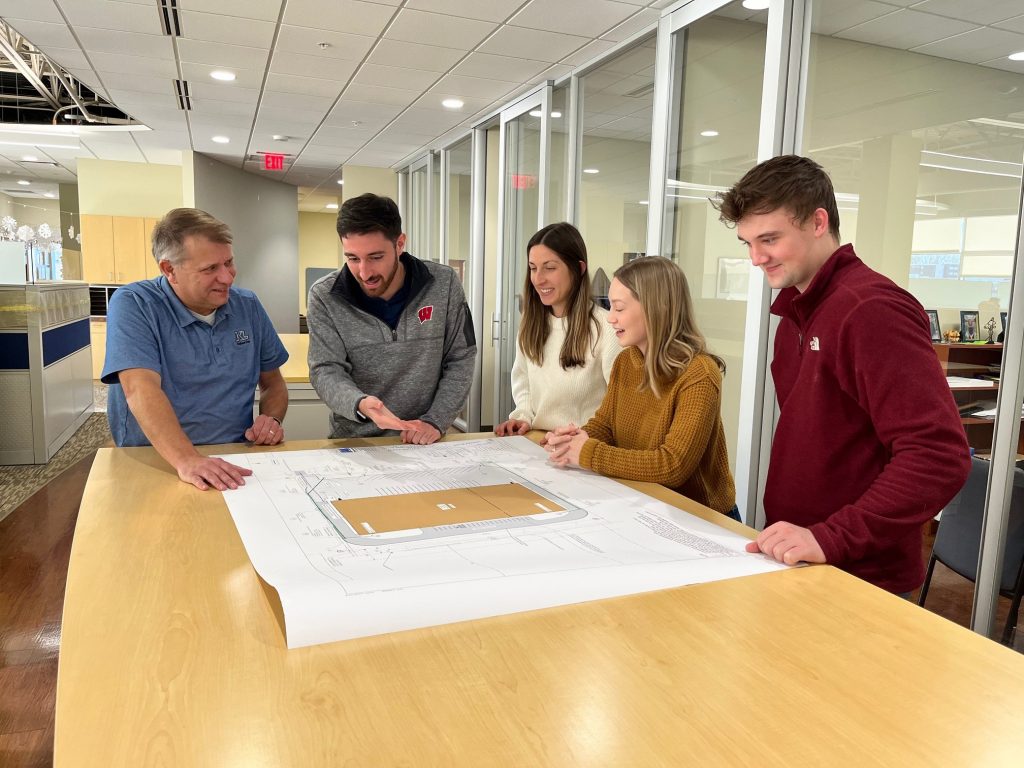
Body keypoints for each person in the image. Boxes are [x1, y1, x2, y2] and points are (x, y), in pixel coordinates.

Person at [712, 154, 971, 594]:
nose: (756, 258)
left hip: (860, 574)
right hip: (797, 556)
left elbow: (938, 455)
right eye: (748, 243)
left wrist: (830, 537)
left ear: (818, 222)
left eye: (769, 238)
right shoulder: (796, 312)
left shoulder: (869, 309)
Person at [102, 208, 289, 492]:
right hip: (158, 460)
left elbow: (273, 384)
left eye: (229, 262)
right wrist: (187, 459)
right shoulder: (134, 304)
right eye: (210, 269)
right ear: (169, 270)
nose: (227, 277)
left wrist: (271, 419)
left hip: (233, 459)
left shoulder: (247, 306)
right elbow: (140, 389)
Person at [544, 256, 738, 519]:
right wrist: (573, 441)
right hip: (647, 503)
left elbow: (673, 465)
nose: (610, 318)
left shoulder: (700, 374)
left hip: (701, 517)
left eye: (619, 308)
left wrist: (588, 452)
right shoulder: (627, 360)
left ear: (656, 308)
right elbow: (606, 426)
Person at [307, 193, 476, 445]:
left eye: (375, 257)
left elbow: (460, 357)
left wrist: (435, 420)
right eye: (352, 258)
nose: (364, 272)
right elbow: (325, 369)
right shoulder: (324, 296)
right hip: (355, 441)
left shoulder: (444, 283)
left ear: (399, 244)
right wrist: (360, 404)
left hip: (426, 437)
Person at [495, 222, 621, 437]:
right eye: (533, 268)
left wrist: (584, 438)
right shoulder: (530, 325)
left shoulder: (606, 329)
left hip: (583, 445)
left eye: (550, 267)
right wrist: (521, 416)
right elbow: (523, 382)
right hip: (537, 440)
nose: (539, 278)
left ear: (579, 269)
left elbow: (618, 405)